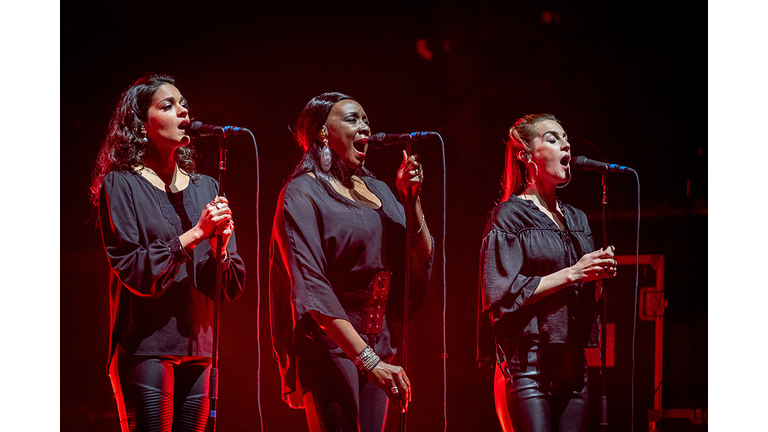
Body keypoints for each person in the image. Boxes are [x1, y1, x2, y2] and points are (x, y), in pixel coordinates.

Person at [90, 73, 247, 432]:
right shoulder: (122, 184)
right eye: (168, 105)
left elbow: (227, 286)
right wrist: (195, 234)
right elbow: (133, 269)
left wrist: (221, 251)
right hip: (145, 346)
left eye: (184, 104)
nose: (183, 111)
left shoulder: (205, 186)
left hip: (201, 347)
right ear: (141, 124)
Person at [269, 92, 434, 432]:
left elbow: (418, 256)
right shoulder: (302, 193)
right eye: (352, 119)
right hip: (330, 347)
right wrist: (366, 360)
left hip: (379, 344)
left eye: (366, 121)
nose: (365, 128)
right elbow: (311, 285)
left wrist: (411, 200)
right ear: (322, 133)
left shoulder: (379, 189)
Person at [477, 113, 617, 432]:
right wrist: (574, 272)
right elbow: (504, 293)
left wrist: (598, 275)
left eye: (566, 138)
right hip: (529, 365)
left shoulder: (578, 219)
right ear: (526, 155)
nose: (565, 144)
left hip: (572, 364)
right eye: (552, 139)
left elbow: (582, 296)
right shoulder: (509, 215)